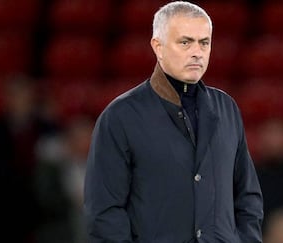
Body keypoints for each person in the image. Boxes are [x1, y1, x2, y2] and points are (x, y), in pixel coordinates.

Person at [84, 1, 264, 242]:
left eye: (204, 42)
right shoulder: (120, 117)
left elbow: (247, 197)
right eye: (185, 42)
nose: (197, 52)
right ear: (158, 47)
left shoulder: (227, 109)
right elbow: (105, 211)